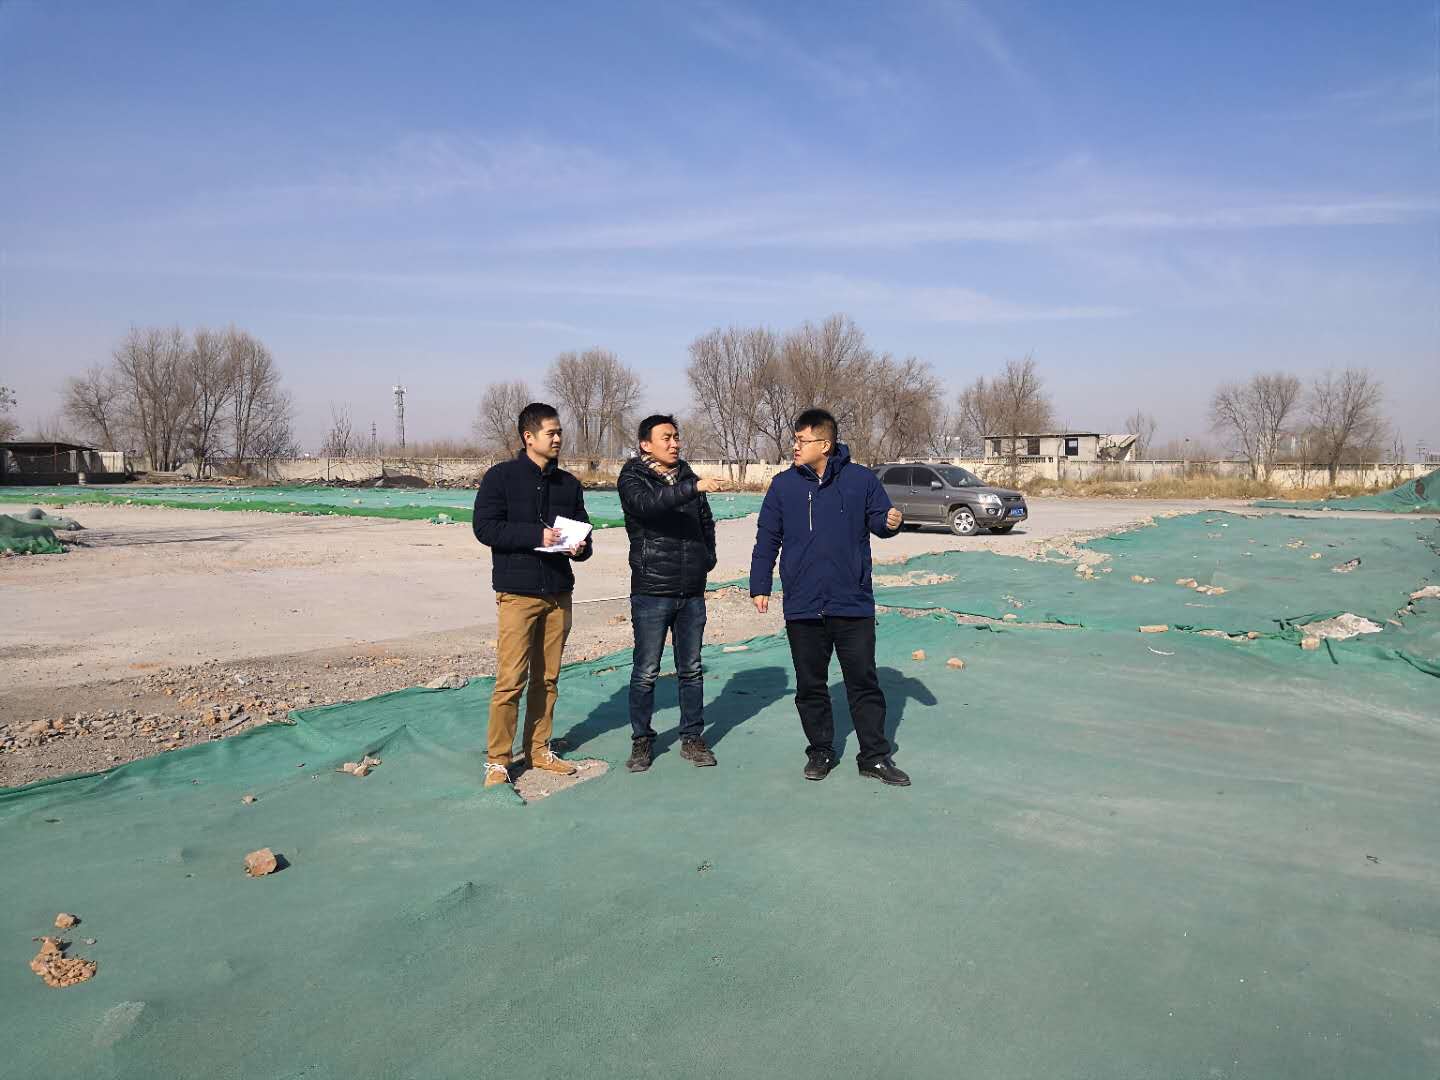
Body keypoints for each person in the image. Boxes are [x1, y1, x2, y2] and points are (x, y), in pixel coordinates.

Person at [749, 408, 911, 786]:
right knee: (810, 686)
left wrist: (890, 522)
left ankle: (874, 757)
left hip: (851, 601)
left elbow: (879, 519)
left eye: (802, 440)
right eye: (795, 439)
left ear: (825, 444)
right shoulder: (783, 486)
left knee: (863, 683)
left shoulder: (860, 480)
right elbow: (767, 538)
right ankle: (820, 750)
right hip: (803, 604)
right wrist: (760, 585)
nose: (795, 446)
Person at [472, 402, 592, 788]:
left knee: (548, 678)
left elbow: (585, 536)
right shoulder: (501, 478)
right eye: (550, 433)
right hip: (517, 593)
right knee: (510, 680)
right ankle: (498, 761)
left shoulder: (568, 484)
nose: (558, 439)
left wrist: (579, 548)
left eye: (560, 432)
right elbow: (485, 528)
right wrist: (533, 535)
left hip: (558, 593)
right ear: (529, 437)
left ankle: (539, 749)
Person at [617, 414, 729, 772]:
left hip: (691, 590)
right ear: (645, 444)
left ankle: (692, 738)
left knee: (691, 669)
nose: (674, 443)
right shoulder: (633, 477)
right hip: (652, 589)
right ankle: (642, 741)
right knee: (647, 670)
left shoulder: (687, 476)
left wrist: (707, 558)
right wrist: (693, 488)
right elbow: (649, 505)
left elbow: (706, 521)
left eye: (676, 437)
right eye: (666, 437)